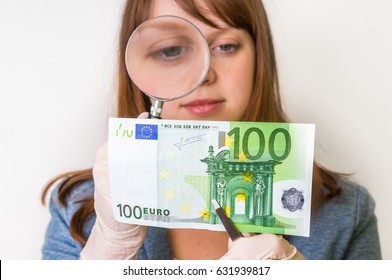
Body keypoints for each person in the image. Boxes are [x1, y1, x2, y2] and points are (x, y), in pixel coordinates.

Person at [41, 0, 382, 260]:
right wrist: (107, 254)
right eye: (171, 50)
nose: (204, 74)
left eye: (225, 47)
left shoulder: (345, 214)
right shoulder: (77, 210)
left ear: (260, 58)